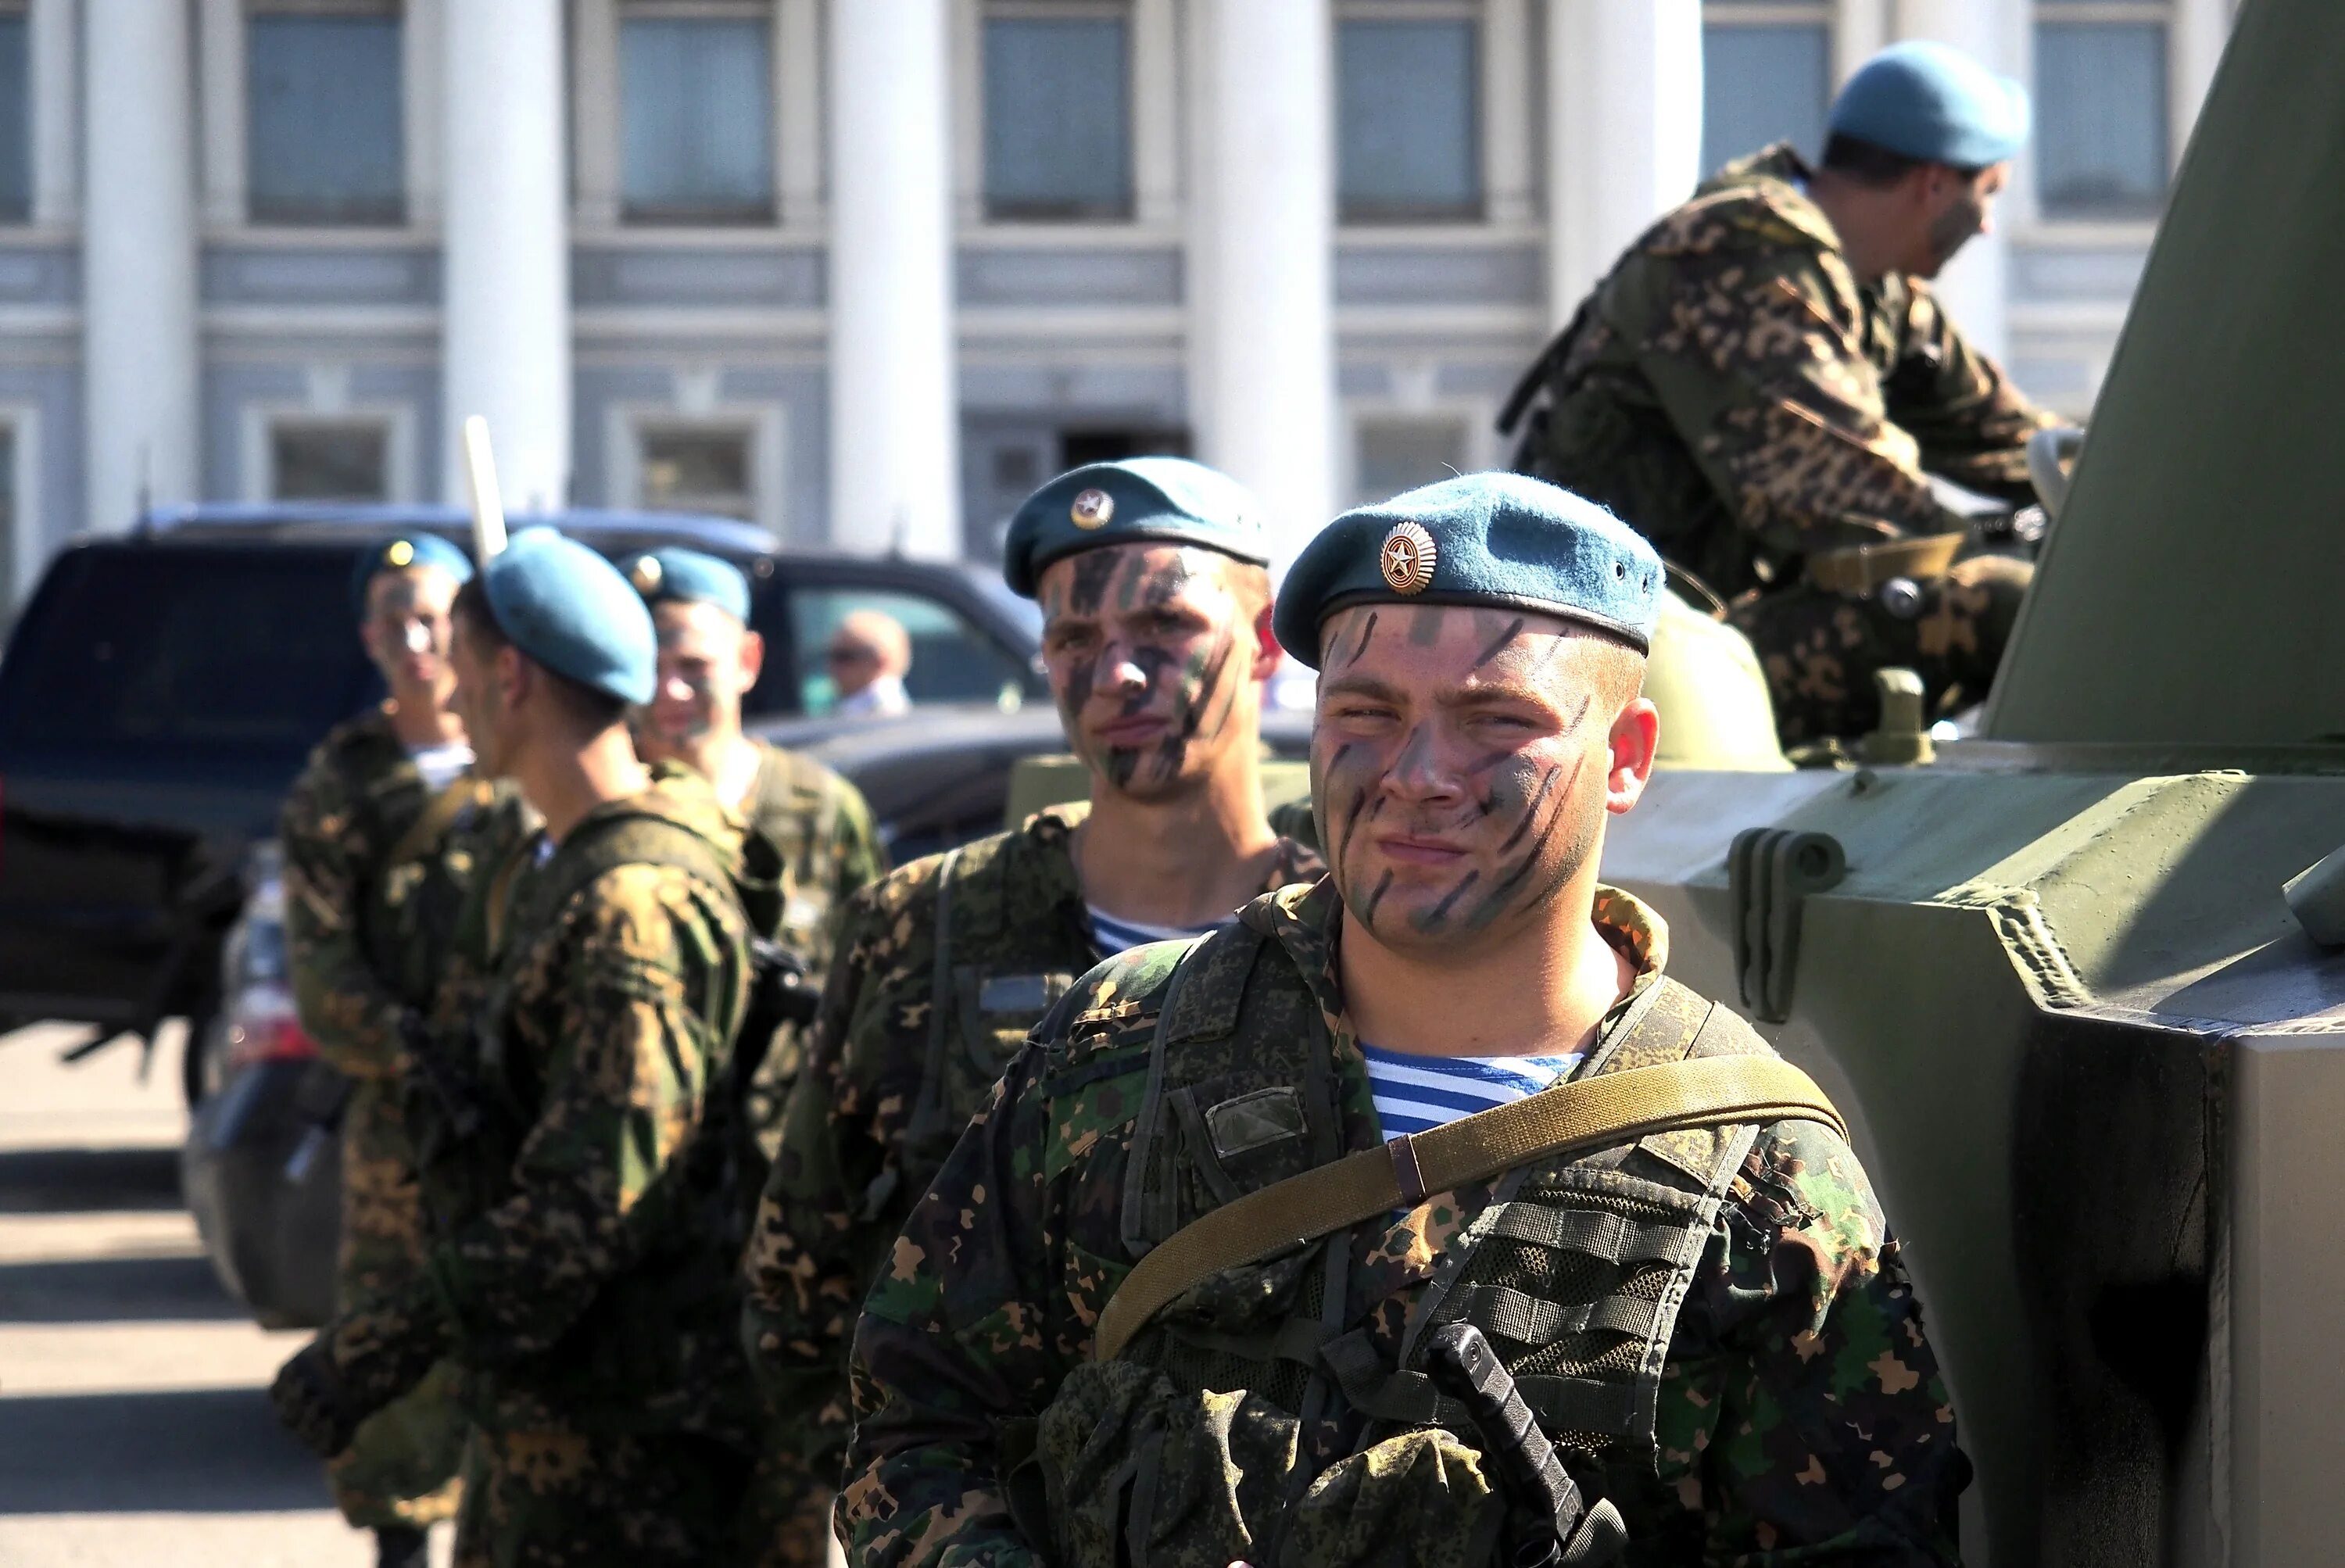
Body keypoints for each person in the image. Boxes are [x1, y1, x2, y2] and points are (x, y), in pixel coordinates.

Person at [838, 473, 1967, 1566]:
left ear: (1623, 759)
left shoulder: (1761, 1181)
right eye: (1367, 712)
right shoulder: (1114, 1056)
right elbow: (916, 1419)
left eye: (1496, 720)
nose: (1419, 774)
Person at [739, 457, 1325, 1564]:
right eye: (1072, 639)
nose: (1116, 670)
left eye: (1164, 622)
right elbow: (800, 1280)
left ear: (1261, 646)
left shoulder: (1350, 930)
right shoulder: (925, 928)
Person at [270, 530, 768, 1567]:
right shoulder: (557, 862)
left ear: (509, 676)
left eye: (455, 654)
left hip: (634, 1443)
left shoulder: (631, 904)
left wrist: (374, 1347)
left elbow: (590, 1206)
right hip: (559, 1408)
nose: (442, 686)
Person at [1505, 39, 2058, 743]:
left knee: (2025, 581)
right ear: (1933, 184)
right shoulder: (1738, 259)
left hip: (1708, 633)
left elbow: (2012, 440)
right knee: (2002, 603)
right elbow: (1857, 503)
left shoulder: (1871, 285)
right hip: (1615, 651)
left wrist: (2125, 494)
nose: (1985, 225)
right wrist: (2012, 544)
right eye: (1987, 196)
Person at [279, 532, 500, 1568]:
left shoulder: (527, 754)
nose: (419, 641)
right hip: (402, 1118)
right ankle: (401, 1539)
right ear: (370, 636)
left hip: (533, 1108)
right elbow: (321, 962)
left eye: (437, 616)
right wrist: (415, 1054)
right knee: (397, 1336)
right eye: (396, 619)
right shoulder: (345, 777)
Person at [624, 545, 888, 1115]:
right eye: (649, 669)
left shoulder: (820, 808)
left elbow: (877, 991)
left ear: (747, 661)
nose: (668, 692)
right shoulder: (613, 811)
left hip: (781, 1158)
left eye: (694, 669)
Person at [825, 608, 913, 718]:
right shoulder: (853, 710)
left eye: (844, 657)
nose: (831, 666)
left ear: (880, 662)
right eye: (831, 656)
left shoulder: (885, 714)